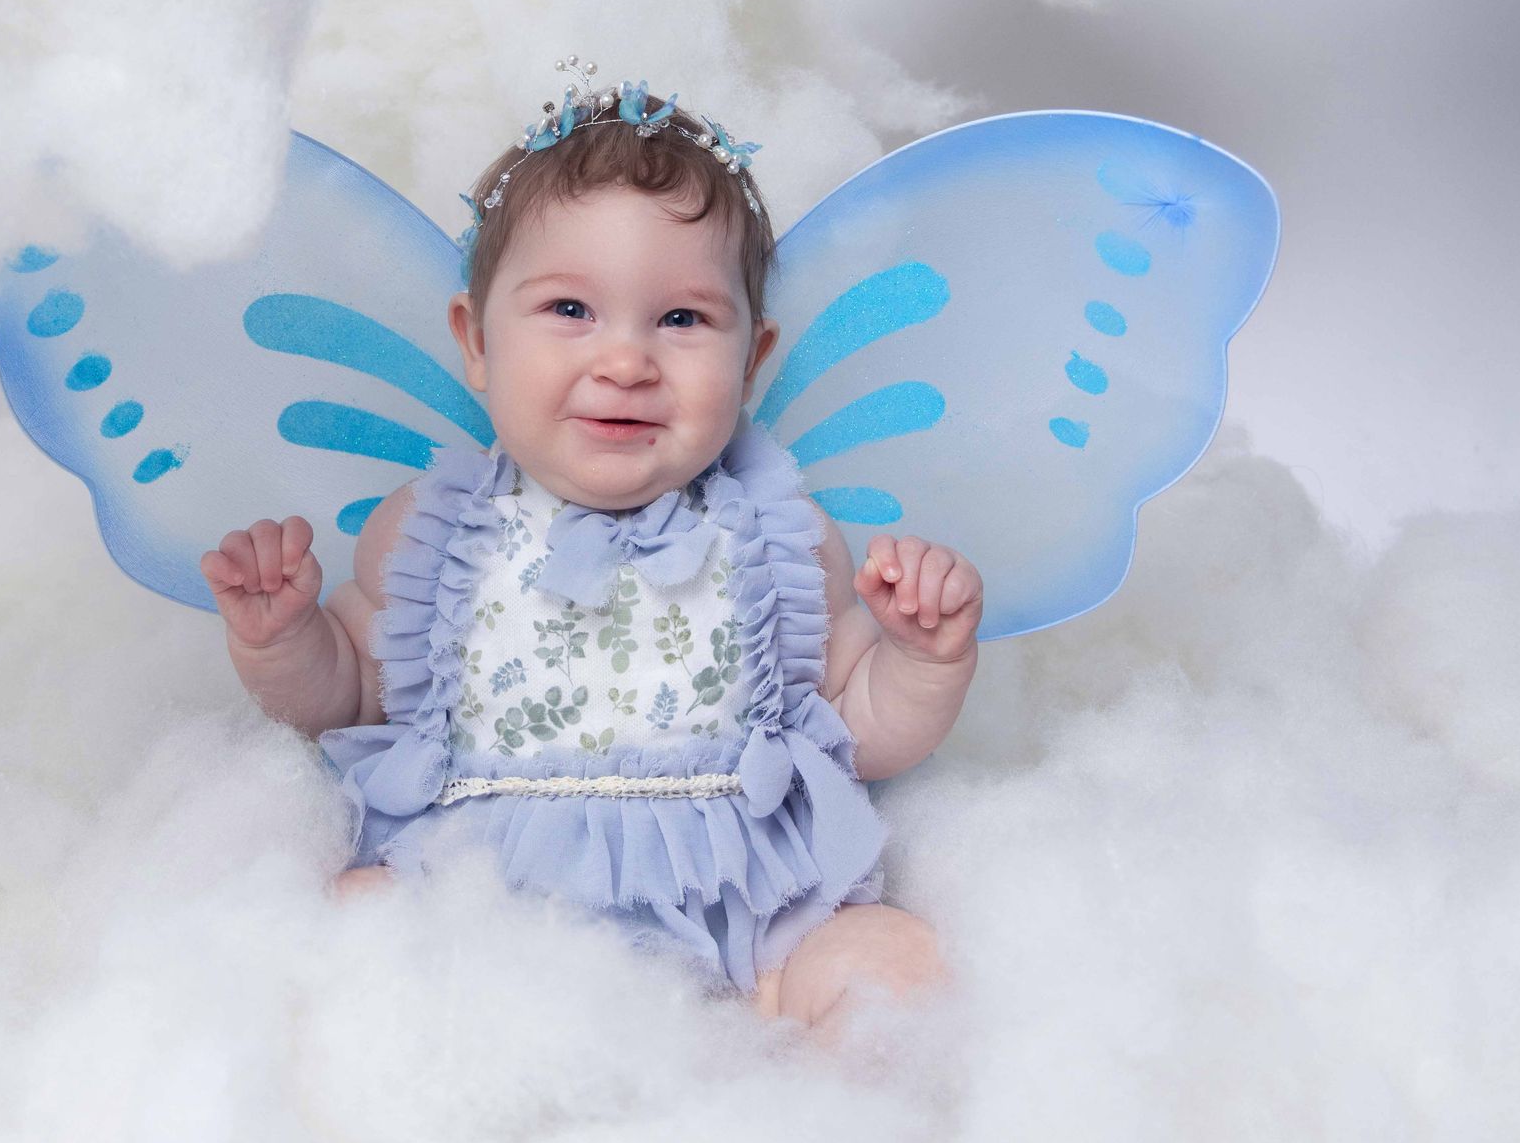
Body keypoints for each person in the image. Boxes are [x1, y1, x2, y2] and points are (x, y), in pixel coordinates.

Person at [201, 82, 982, 1037]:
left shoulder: (778, 535)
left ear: (753, 358)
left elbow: (860, 731)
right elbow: (351, 696)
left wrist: (919, 659)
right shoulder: (431, 533)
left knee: (893, 965)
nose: (626, 361)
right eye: (571, 307)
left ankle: (811, 1113)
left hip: (742, 925)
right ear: (475, 342)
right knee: (347, 918)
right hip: (485, 909)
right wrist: (284, 639)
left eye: (683, 320)